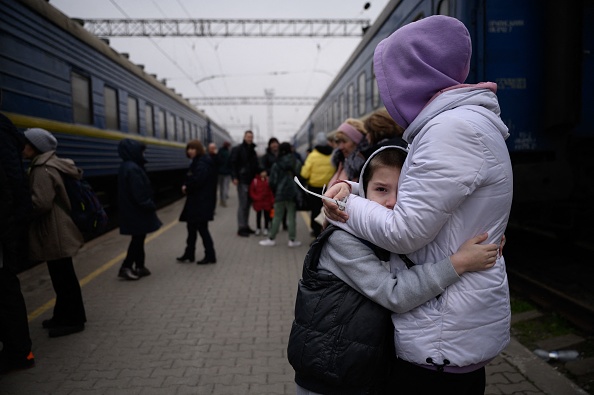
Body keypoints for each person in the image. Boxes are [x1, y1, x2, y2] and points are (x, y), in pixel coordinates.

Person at [323, 15, 513, 393]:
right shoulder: (466, 123)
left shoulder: (450, 130)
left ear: (411, 75)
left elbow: (404, 231)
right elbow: (423, 208)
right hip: (450, 321)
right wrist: (357, 193)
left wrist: (340, 206)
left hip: (440, 332)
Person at [289, 145, 500, 395]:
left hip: (358, 366)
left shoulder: (391, 236)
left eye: (405, 192)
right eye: (381, 190)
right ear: (363, 197)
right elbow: (394, 294)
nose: (392, 202)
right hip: (330, 374)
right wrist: (460, 263)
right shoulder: (343, 241)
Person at [21, 128, 87, 337]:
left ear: (35, 147)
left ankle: (73, 320)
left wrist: (21, 208)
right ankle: (62, 315)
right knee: (63, 275)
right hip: (60, 226)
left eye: (26, 144)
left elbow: (41, 203)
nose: (22, 148)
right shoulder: (54, 164)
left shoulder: (41, 168)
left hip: (54, 229)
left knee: (63, 277)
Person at [0, 113, 35, 372]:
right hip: (7, 227)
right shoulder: (7, 135)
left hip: (4, 228)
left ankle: (19, 351)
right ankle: (20, 350)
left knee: (6, 289)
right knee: (8, 287)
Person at [117, 138, 162, 280]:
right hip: (137, 211)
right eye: (142, 152)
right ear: (134, 152)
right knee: (137, 239)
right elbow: (139, 194)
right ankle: (126, 266)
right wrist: (150, 204)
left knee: (139, 237)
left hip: (132, 210)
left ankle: (140, 266)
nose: (143, 155)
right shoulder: (133, 169)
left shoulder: (127, 166)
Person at [176, 140, 218, 264]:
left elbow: (198, 180)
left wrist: (187, 187)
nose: (190, 151)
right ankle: (189, 253)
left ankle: (210, 255)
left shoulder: (202, 163)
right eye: (189, 149)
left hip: (201, 201)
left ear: (198, 149)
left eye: (193, 149)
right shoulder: (199, 162)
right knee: (191, 228)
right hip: (197, 201)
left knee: (202, 228)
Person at [259, 142, 302, 248]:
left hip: (280, 192)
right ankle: (292, 240)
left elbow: (272, 181)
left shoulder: (276, 163)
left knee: (277, 216)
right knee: (291, 216)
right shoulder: (295, 161)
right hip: (292, 192)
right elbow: (300, 175)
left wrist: (276, 189)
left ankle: (271, 238)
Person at [299, 132, 335, 237]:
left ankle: (315, 233)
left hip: (314, 188)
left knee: (315, 210)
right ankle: (327, 232)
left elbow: (304, 173)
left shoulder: (312, 156)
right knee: (327, 210)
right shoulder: (332, 154)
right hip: (329, 187)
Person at [230, 130, 260, 237]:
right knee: (243, 204)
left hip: (251, 181)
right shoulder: (238, 149)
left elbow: (255, 165)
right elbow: (233, 164)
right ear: (244, 137)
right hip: (242, 180)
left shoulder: (252, 150)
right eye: (248, 136)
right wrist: (234, 177)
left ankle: (246, 226)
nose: (250, 138)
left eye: (251, 137)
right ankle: (241, 227)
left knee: (248, 205)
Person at [328, 118, 368, 185]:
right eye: (339, 142)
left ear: (356, 142)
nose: (340, 147)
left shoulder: (363, 167)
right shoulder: (341, 162)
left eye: (344, 141)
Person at [249, 170, 274, 236]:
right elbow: (252, 191)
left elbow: (271, 191)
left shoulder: (268, 180)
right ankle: (258, 228)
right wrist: (256, 198)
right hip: (258, 202)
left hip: (267, 201)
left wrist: (272, 200)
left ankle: (266, 228)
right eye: (263, 172)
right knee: (258, 215)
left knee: (267, 215)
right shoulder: (255, 181)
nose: (264, 173)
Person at [217, 141, 232, 207]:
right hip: (226, 173)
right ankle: (224, 201)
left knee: (221, 187)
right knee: (225, 186)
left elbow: (217, 161)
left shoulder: (219, 152)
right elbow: (230, 163)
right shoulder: (228, 153)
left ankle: (221, 200)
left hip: (219, 172)